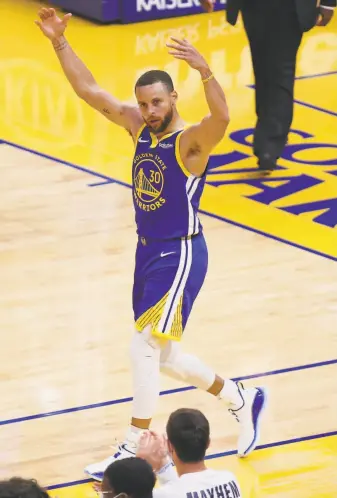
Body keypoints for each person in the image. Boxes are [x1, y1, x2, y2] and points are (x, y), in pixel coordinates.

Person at [35, 7, 267, 481]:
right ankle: (239, 397)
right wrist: (59, 41)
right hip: (148, 250)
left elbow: (221, 116)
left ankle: (132, 446)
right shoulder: (139, 129)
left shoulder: (189, 144)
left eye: (156, 103)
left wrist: (205, 70)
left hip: (180, 251)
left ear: (172, 98)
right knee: (164, 355)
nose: (149, 112)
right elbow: (89, 91)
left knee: (142, 346)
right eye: (143, 104)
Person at [200, 0, 336, 171]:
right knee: (262, 68)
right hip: (255, 6)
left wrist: (328, 4)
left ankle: (269, 145)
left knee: (281, 71)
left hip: (289, 7)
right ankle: (267, 133)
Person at [135, 408, 242, 498]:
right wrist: (162, 466)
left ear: (169, 446)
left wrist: (140, 464)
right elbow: (182, 490)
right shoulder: (229, 480)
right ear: (208, 443)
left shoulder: (163, 495)